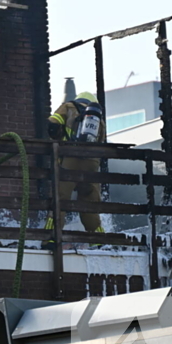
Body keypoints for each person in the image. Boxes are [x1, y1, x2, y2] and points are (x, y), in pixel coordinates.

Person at [46, 91, 107, 236]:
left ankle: (50, 237)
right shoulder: (99, 121)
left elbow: (52, 124)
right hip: (91, 164)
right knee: (89, 204)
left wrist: (58, 139)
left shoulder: (68, 107)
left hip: (69, 159)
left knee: (59, 201)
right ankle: (98, 240)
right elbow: (101, 144)